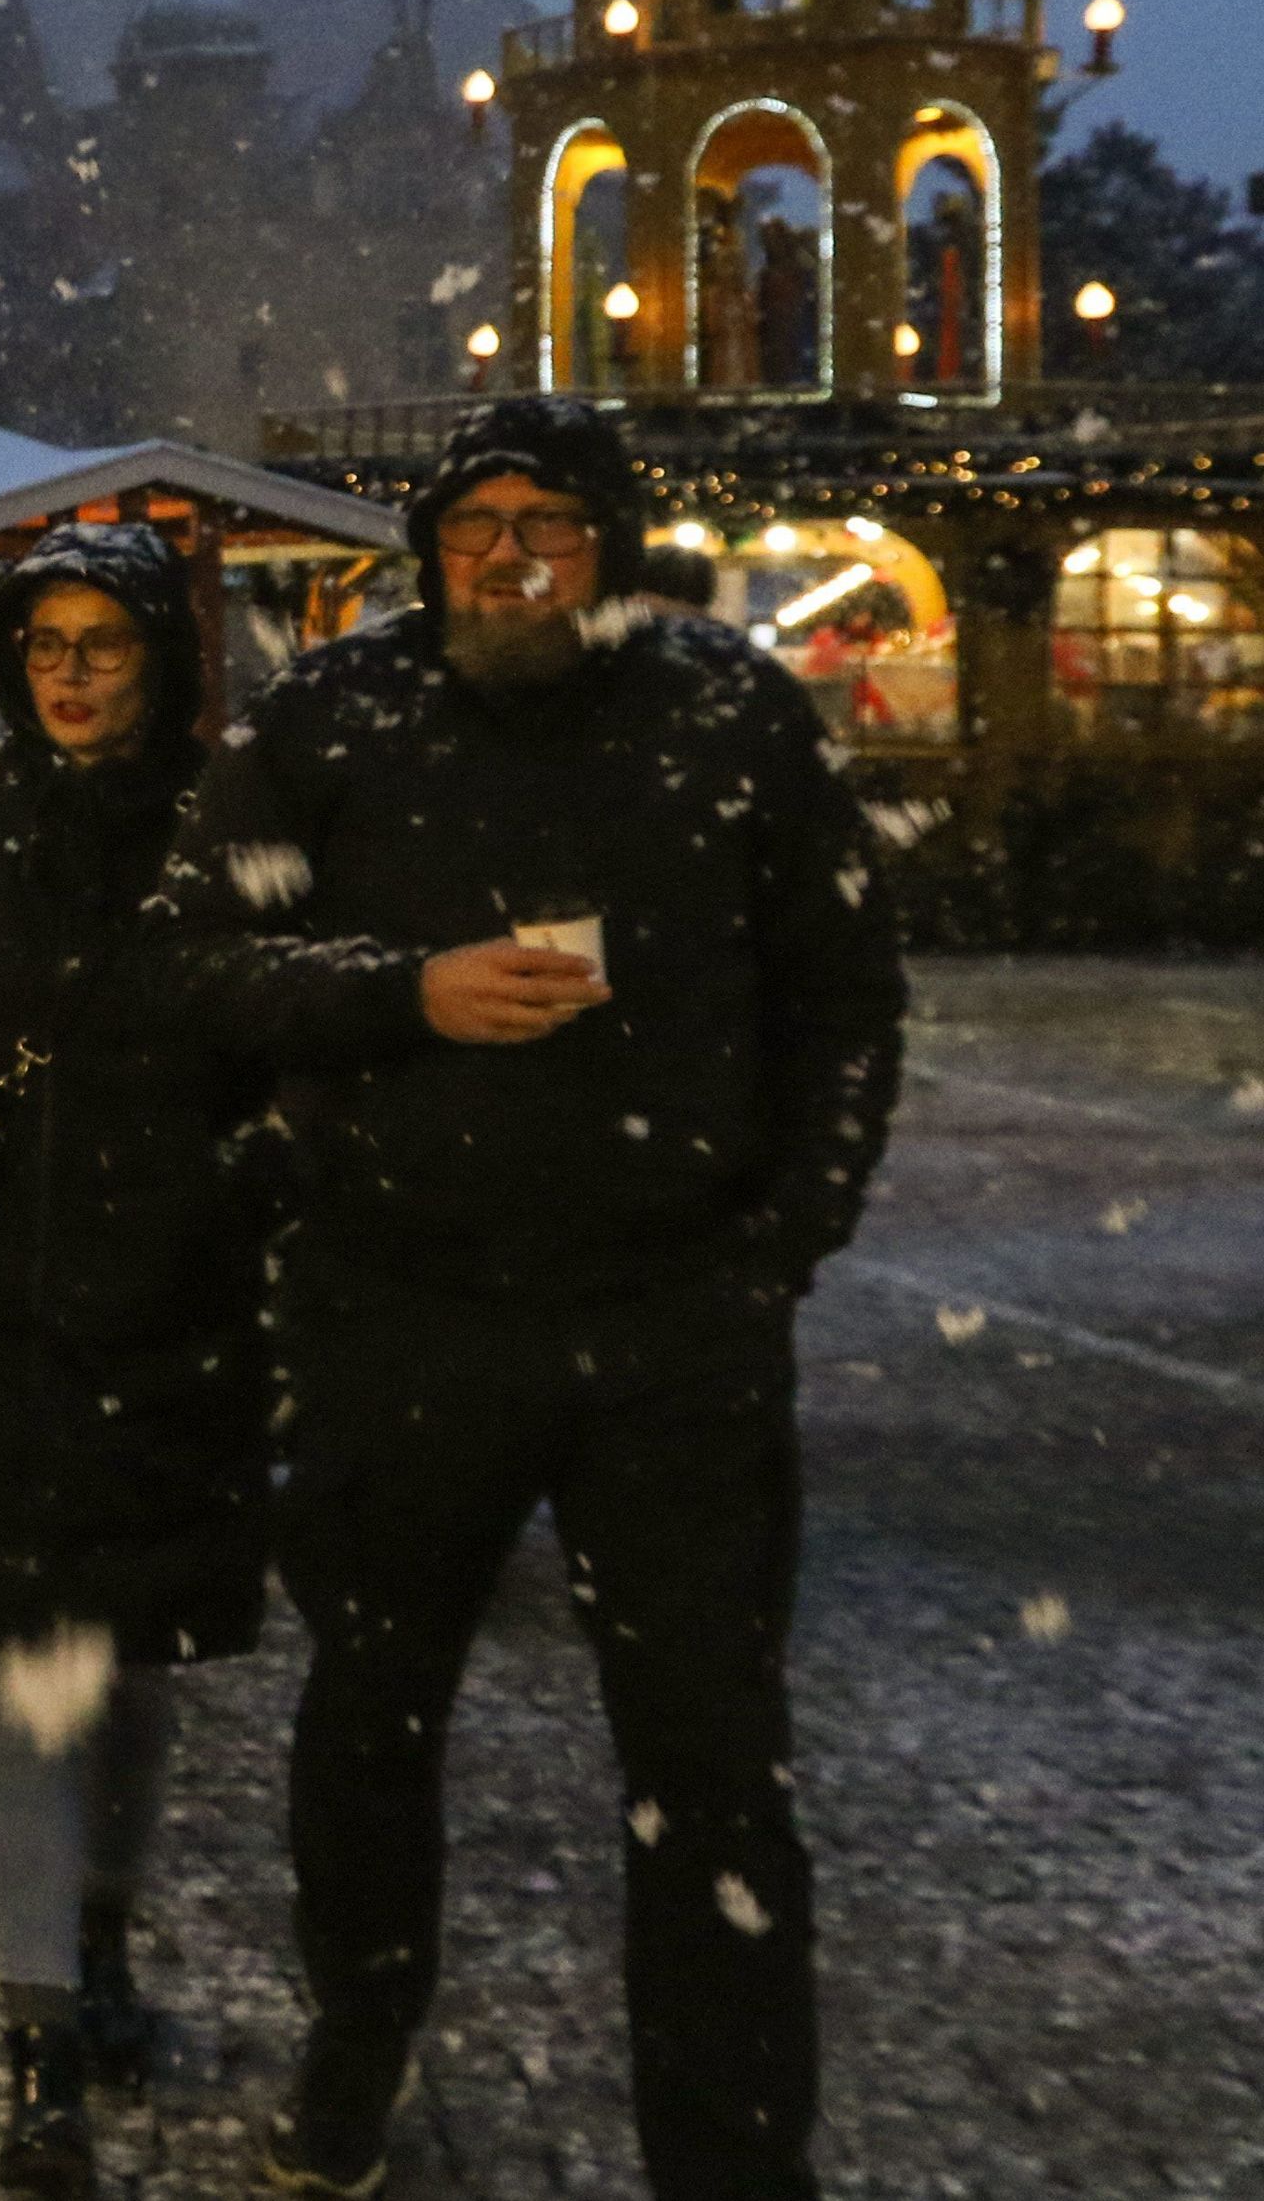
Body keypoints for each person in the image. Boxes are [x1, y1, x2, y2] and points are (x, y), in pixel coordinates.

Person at [142, 393, 904, 2201]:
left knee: (713, 1767)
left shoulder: (730, 710)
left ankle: (731, 2151)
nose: (506, 553)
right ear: (426, 550)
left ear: (610, 546)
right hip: (401, 1306)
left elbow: (847, 987)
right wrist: (405, 990)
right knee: (373, 1710)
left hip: (673, 1321)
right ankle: (363, 2029)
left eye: (547, 521)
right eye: (474, 520)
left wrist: (783, 1231)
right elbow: (195, 960)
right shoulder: (337, 710)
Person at [0, 525, 267, 2198]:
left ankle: (101, 1942)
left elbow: (288, 1027)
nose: (74, 670)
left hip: (176, 1301)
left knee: (127, 1656)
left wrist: (242, 1178)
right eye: (49, 642)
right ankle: (40, 2026)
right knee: (31, 1664)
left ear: (159, 654)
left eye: (106, 641)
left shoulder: (225, 822)